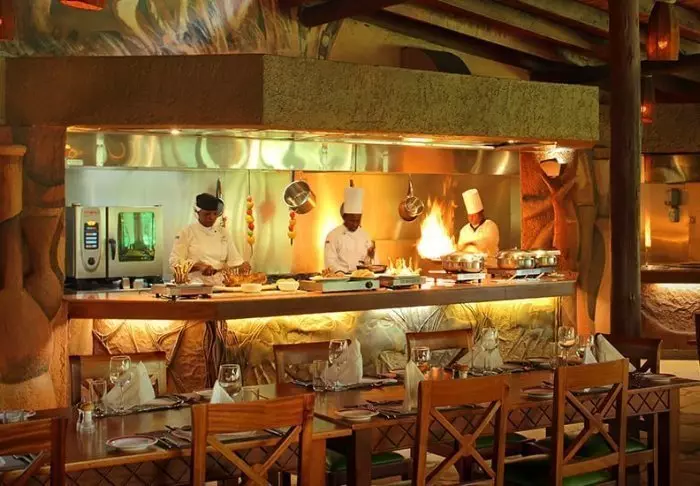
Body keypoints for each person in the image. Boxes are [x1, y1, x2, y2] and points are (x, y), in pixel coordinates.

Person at [169, 193, 250, 285]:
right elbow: (174, 263)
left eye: (215, 213)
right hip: (195, 285)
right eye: (207, 214)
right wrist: (198, 266)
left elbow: (234, 260)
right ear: (198, 212)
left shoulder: (223, 233)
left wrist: (242, 266)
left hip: (220, 285)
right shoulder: (186, 232)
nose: (211, 217)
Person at [324, 186, 377, 273]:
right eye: (352, 220)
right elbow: (330, 262)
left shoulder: (365, 235)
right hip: (342, 277)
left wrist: (371, 257)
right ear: (344, 217)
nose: (355, 224)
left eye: (358, 220)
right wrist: (344, 273)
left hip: (362, 277)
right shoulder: (333, 235)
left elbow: (371, 264)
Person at [458, 189, 500, 258]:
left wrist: (471, 243)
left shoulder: (490, 226)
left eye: (474, 215)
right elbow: (460, 248)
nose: (471, 218)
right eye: (469, 215)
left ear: (480, 214)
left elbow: (489, 243)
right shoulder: (464, 230)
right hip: (468, 262)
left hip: (488, 262)